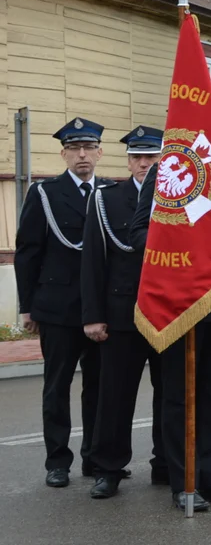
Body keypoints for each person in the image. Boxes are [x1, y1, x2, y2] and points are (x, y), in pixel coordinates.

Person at [130, 162, 211, 511]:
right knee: (178, 398)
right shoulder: (163, 172)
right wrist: (177, 248)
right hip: (178, 305)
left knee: (210, 397)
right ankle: (182, 481)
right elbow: (138, 233)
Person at [15, 117, 114, 488]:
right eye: (74, 149)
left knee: (99, 387)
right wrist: (27, 307)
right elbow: (27, 252)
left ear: (100, 153)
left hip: (100, 309)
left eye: (89, 148)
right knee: (56, 387)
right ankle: (57, 461)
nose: (82, 155)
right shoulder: (45, 193)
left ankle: (94, 457)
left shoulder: (109, 192)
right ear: (63, 154)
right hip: (58, 307)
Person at [81, 126, 167, 498]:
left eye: (151, 157)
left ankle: (168, 463)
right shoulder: (106, 199)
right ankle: (109, 468)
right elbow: (93, 263)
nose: (144, 164)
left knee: (170, 394)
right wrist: (93, 315)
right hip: (122, 312)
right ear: (129, 161)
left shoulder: (178, 198)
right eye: (138, 157)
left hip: (169, 310)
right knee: (114, 395)